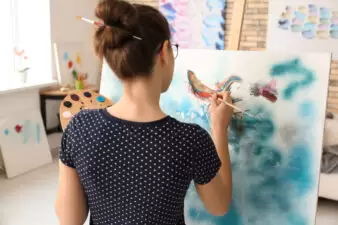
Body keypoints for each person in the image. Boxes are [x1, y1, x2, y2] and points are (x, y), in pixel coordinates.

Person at [55, 0, 233, 224]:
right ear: (165, 52)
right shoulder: (190, 140)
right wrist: (219, 127)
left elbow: (70, 219)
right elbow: (219, 205)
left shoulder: (81, 127)